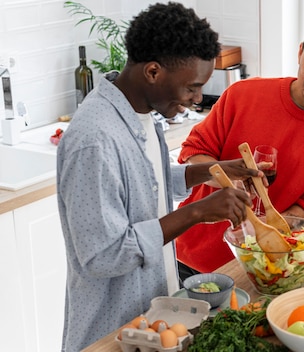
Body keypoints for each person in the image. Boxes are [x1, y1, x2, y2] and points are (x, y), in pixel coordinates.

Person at [56, 3, 263, 350]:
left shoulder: (142, 114)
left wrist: (211, 171)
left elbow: (143, 182)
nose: (197, 100)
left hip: (152, 317)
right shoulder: (94, 139)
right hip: (112, 330)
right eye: (192, 88)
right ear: (153, 71)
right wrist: (197, 213)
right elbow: (104, 255)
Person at [175, 12, 304, 276]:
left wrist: (283, 221)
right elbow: (193, 153)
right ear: (300, 52)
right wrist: (225, 182)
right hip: (191, 257)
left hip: (266, 266)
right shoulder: (241, 95)